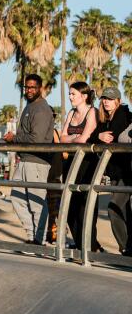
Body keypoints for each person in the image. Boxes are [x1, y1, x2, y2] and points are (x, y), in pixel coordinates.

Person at [5, 74, 56, 245]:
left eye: (33, 87)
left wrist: (15, 138)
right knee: (16, 197)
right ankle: (31, 235)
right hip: (25, 159)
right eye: (27, 87)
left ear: (40, 88)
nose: (29, 90)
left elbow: (38, 139)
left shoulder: (41, 109)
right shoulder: (29, 106)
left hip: (37, 161)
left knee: (36, 202)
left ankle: (39, 239)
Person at [93, 85, 132, 254]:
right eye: (104, 99)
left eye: (110, 99)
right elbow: (94, 136)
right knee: (125, 211)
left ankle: (125, 248)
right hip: (114, 171)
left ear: (118, 101)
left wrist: (101, 136)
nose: (106, 102)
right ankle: (129, 247)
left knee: (113, 208)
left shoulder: (122, 114)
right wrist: (98, 136)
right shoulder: (104, 119)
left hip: (126, 171)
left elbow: (111, 136)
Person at [59, 81, 98, 249]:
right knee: (68, 203)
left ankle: (90, 244)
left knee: (85, 204)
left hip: (87, 163)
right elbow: (62, 138)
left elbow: (84, 139)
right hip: (71, 162)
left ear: (84, 96)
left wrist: (73, 139)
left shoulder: (92, 112)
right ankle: (80, 242)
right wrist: (75, 138)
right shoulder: (71, 113)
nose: (70, 97)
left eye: (73, 94)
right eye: (69, 93)